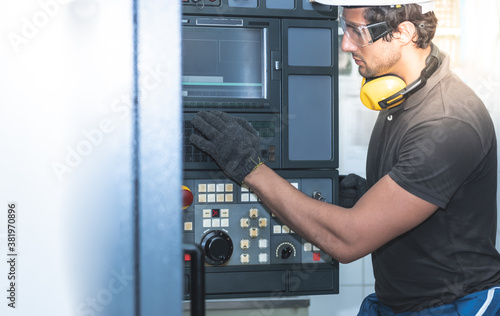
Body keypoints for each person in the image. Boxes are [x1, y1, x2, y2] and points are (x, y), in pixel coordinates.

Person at [189, 2, 500, 314]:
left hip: (454, 306)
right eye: (344, 29)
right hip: (397, 303)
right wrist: (371, 197)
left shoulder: (446, 122)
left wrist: (251, 169)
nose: (345, 44)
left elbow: (348, 241)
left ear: (403, 33)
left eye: (357, 32)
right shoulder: (400, 94)